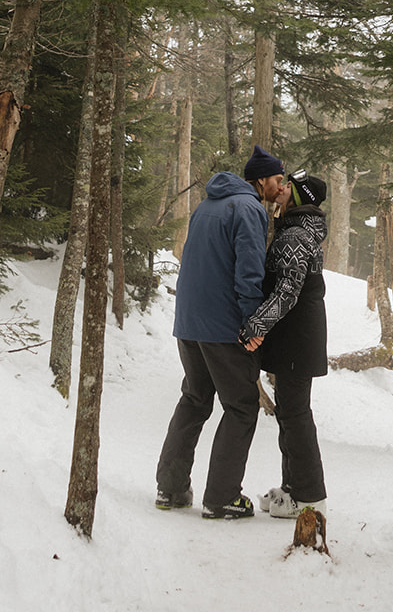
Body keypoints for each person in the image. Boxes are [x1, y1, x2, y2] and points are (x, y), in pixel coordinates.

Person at [155, 145, 284, 520]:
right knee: (242, 407)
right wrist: (252, 324)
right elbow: (249, 272)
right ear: (261, 180)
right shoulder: (248, 209)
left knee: (195, 400)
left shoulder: (207, 205)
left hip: (189, 323)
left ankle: (171, 488)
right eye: (277, 180)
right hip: (223, 326)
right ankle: (222, 497)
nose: (280, 187)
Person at [240, 169, 328, 519]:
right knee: (291, 412)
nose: (281, 189)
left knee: (295, 414)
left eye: (289, 187)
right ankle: (292, 489)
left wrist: (256, 324)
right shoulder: (297, 229)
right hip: (297, 336)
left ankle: (309, 496)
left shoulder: (295, 237)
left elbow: (287, 292)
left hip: (298, 337)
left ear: (299, 197)